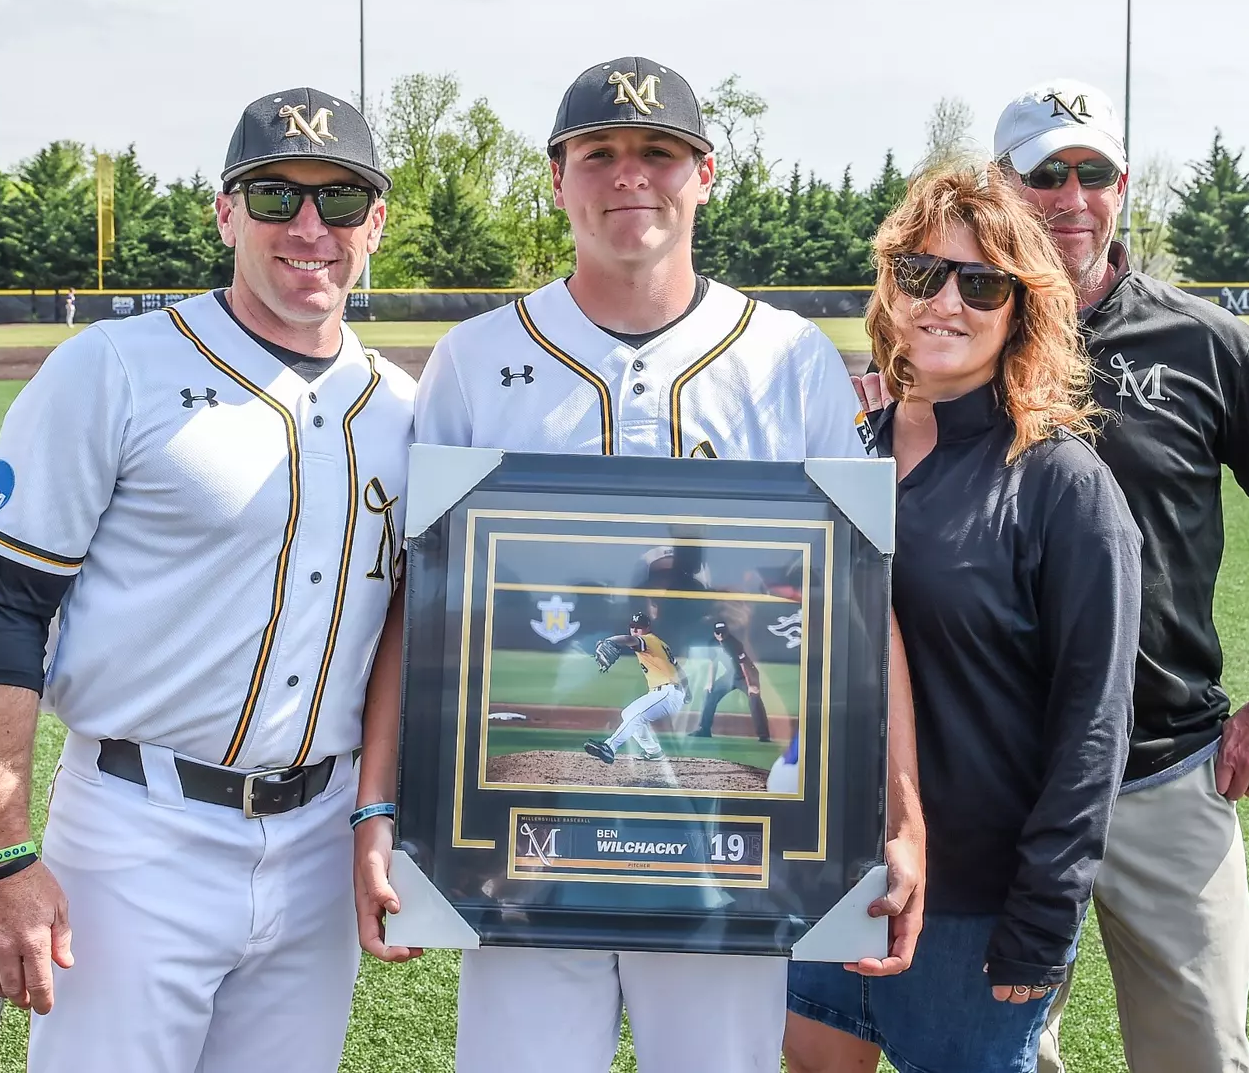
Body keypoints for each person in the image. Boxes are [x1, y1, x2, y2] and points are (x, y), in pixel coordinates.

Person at [353, 56, 926, 1073]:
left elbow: (856, 600)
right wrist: (381, 805)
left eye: (659, 152)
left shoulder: (788, 357)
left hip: (727, 856)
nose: (631, 175)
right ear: (559, 176)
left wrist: (900, 811)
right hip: (515, 857)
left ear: (705, 173)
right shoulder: (479, 357)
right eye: (599, 153)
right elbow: (418, 601)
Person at [0, 87, 416, 1073]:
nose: (308, 227)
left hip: (318, 845)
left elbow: (417, 634)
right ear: (225, 211)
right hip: (134, 829)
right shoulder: (112, 368)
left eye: (339, 201)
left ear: (374, 222)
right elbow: (0, 610)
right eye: (274, 194)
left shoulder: (406, 410)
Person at [990, 79, 1249, 1073]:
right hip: (998, 778)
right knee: (991, 1056)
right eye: (1046, 174)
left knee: (1198, 1054)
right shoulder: (957, 334)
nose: (1072, 196)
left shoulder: (1207, 341)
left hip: (1166, 766)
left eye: (1094, 172)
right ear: (1003, 185)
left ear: (1121, 185)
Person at [785, 164, 1142, 1073]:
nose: (945, 301)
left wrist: (1043, 915)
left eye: (980, 283)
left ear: (1023, 308)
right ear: (889, 285)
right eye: (921, 273)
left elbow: (1093, 722)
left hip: (975, 908)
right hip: (822, 880)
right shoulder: (834, 456)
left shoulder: (1060, 481)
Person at [583, 611, 687, 763]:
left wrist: (609, 641)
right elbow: (679, 670)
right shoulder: (661, 645)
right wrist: (687, 691)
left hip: (668, 692)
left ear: (648, 628)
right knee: (628, 713)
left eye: (639, 627)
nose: (635, 630)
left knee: (637, 716)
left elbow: (627, 639)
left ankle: (610, 747)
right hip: (668, 692)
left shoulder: (648, 640)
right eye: (632, 626)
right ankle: (654, 751)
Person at [692, 618, 769, 741]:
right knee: (710, 693)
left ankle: (764, 735)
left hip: (746, 674)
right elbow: (713, 663)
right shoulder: (712, 643)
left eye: (723, 632)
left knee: (754, 698)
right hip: (730, 675)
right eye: (718, 632)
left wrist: (750, 686)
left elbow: (744, 666)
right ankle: (704, 729)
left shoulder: (735, 644)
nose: (721, 635)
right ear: (714, 633)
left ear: (727, 632)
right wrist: (710, 683)